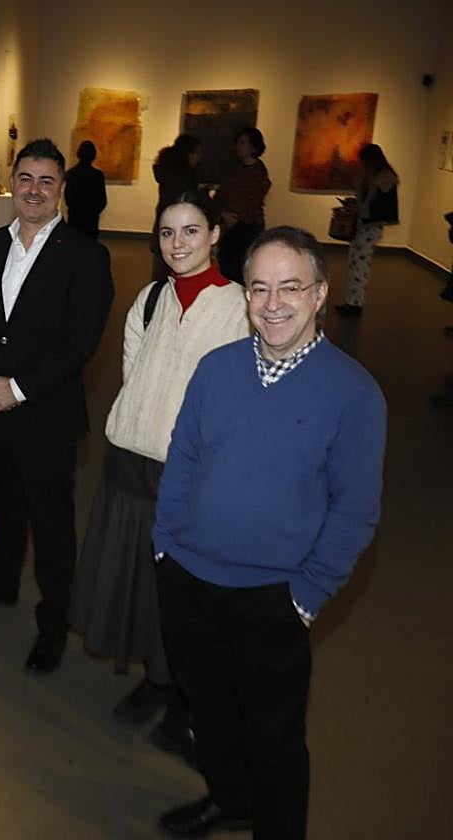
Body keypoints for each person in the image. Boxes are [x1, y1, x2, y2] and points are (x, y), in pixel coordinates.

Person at [152, 226, 386, 839]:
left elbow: (356, 510)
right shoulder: (217, 368)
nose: (273, 303)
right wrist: (165, 543)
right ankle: (230, 799)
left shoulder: (355, 393)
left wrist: (307, 596)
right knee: (211, 713)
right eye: (259, 288)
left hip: (273, 599)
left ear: (319, 295)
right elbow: (182, 458)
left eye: (290, 287)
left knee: (275, 739)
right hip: (188, 580)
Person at [69, 191, 248, 749]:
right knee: (141, 584)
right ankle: (156, 679)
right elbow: (133, 375)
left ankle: (185, 700)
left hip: (190, 476)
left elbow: (240, 405)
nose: (178, 244)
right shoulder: (147, 300)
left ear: (215, 234)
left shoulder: (240, 308)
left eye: (191, 231)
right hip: (129, 464)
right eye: (167, 233)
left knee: (184, 596)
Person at [0, 138, 114, 673]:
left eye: (46, 181)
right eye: (25, 179)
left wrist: (16, 388)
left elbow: (79, 343)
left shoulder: (86, 255)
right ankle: (0, 583)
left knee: (52, 522)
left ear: (62, 189)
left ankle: (53, 623)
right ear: (12, 184)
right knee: (2, 505)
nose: (34, 190)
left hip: (45, 416)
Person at [335, 143, 399, 317]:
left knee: (360, 264)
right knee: (355, 262)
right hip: (366, 224)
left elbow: (371, 204)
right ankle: (352, 301)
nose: (362, 165)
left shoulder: (383, 178)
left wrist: (358, 200)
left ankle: (355, 305)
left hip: (370, 225)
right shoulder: (375, 176)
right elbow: (367, 202)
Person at [214, 126, 271, 283]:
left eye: (242, 143)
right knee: (226, 265)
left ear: (253, 147)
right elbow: (221, 194)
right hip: (229, 226)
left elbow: (253, 200)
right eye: (238, 143)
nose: (238, 147)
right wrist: (222, 214)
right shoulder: (234, 170)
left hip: (247, 228)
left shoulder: (258, 172)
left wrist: (237, 219)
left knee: (240, 268)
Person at [150, 134, 202, 280]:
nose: (199, 158)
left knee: (163, 271)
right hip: (176, 227)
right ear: (188, 153)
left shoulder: (169, 173)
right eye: (196, 153)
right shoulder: (181, 177)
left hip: (166, 227)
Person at [64, 140, 108, 239]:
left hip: (75, 218)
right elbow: (102, 200)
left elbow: (68, 199)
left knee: (74, 246)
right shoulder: (97, 175)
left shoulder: (71, 174)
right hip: (91, 219)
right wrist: (93, 212)